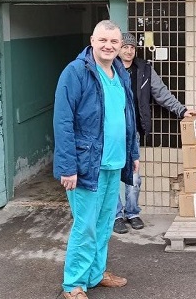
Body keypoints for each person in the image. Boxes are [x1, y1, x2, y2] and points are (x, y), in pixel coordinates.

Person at [53, 20, 138, 299]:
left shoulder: (120, 73)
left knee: (104, 223)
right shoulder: (76, 72)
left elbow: (128, 117)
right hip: (86, 165)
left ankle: (95, 273)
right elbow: (63, 122)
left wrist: (133, 154)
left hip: (115, 162)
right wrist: (67, 166)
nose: (108, 46)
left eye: (114, 42)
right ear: (92, 40)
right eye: (103, 40)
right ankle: (73, 284)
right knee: (85, 225)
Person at [113, 32, 196, 234]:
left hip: (132, 129)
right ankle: (116, 215)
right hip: (112, 130)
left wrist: (182, 110)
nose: (128, 50)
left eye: (132, 47)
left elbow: (162, 94)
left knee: (134, 175)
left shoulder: (144, 69)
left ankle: (132, 213)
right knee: (113, 174)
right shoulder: (109, 69)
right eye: (124, 47)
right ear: (118, 49)